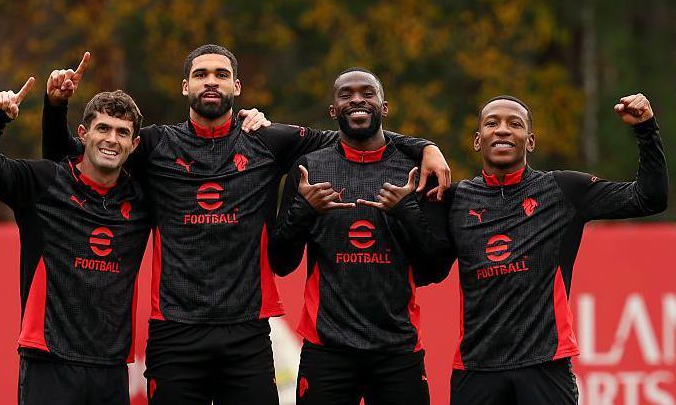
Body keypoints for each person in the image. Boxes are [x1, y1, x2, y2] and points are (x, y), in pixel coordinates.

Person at [42, 44, 451, 405]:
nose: (211, 82)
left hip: (248, 333)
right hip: (174, 331)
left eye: (221, 75)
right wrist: (55, 107)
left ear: (237, 88)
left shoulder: (266, 139)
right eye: (201, 74)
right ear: (185, 86)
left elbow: (354, 130)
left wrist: (424, 147)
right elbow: (75, 158)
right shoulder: (154, 144)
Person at [435, 93, 667, 405]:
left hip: (545, 366)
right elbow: (427, 270)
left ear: (530, 141)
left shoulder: (563, 190)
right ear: (478, 140)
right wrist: (422, 156)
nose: (502, 130)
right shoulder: (453, 200)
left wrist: (646, 130)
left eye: (514, 124)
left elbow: (649, 198)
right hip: (475, 368)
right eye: (492, 123)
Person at [267, 68, 451, 404]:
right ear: (333, 111)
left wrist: (406, 211)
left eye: (367, 93)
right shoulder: (309, 169)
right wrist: (304, 212)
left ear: (384, 106)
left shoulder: (414, 170)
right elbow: (281, 263)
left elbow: (435, 269)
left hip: (398, 350)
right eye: (346, 94)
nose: (357, 99)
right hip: (327, 351)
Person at [0, 68, 151, 404]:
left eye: (122, 133)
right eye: (103, 129)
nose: (112, 139)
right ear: (83, 133)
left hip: (110, 368)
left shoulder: (142, 201)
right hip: (49, 360)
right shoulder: (45, 181)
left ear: (134, 143)